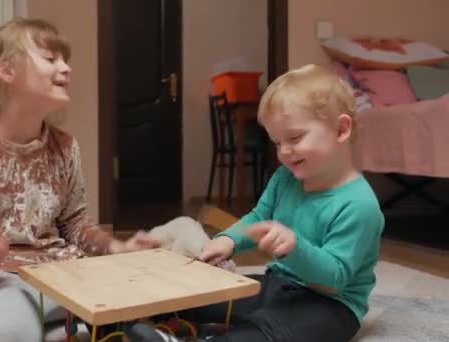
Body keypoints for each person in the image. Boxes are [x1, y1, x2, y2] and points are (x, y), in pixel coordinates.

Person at [0, 17, 159, 342]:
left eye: (65, 60)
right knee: (4, 335)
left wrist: (117, 247)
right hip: (7, 275)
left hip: (67, 269)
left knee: (143, 301)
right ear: (6, 71)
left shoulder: (64, 146)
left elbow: (75, 225)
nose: (66, 69)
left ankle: (59, 327)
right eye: (50, 59)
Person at [124, 64, 385, 342]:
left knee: (264, 332)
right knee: (197, 296)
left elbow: (335, 278)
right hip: (277, 285)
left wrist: (294, 247)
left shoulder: (360, 205)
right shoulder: (286, 178)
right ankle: (132, 320)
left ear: (341, 129)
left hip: (329, 306)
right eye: (276, 142)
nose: (284, 152)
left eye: (295, 138)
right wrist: (229, 241)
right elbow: (258, 217)